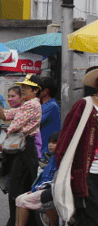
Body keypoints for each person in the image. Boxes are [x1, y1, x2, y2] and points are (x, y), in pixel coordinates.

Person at [0, 74, 44, 226]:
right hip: (22, 150)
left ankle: (17, 222)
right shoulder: (28, 104)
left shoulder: (32, 105)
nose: (23, 90)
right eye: (22, 87)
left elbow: (12, 126)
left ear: (35, 90)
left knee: (18, 189)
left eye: (26, 87)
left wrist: (6, 136)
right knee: (20, 188)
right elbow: (5, 115)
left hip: (24, 150)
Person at [53, 68, 98, 224]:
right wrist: (64, 170)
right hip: (88, 174)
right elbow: (66, 140)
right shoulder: (85, 105)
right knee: (90, 219)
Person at [15, 132, 59, 226]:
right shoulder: (52, 159)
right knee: (18, 199)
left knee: (23, 201)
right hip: (42, 188)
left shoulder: (58, 160)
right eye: (50, 142)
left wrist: (37, 189)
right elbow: (42, 177)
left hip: (49, 190)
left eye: (54, 143)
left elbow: (52, 180)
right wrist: (34, 189)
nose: (50, 145)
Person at [36, 76, 61, 158]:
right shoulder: (43, 105)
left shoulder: (51, 106)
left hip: (46, 148)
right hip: (41, 146)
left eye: (38, 89)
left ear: (46, 91)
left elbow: (35, 121)